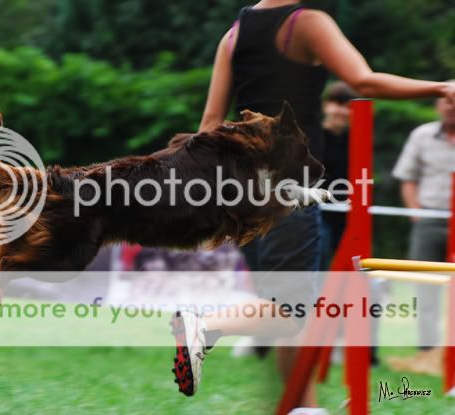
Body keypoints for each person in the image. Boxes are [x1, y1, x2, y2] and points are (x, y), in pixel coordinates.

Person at [170, 0, 455, 408]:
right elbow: (365, 82)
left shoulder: (232, 35)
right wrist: (440, 87)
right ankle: (204, 325)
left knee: (286, 307)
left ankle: (301, 405)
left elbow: (209, 125)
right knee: (290, 309)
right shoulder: (306, 23)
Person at [388, 82, 455, 376]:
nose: (451, 106)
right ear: (438, 105)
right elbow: (408, 178)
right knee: (424, 288)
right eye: (447, 101)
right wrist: (416, 213)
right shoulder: (422, 135)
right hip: (428, 218)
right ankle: (428, 353)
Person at [319, 81, 358, 269]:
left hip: (348, 214)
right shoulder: (312, 138)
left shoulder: (357, 139)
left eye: (347, 106)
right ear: (326, 106)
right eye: (337, 104)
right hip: (317, 211)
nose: (342, 111)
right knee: (319, 260)